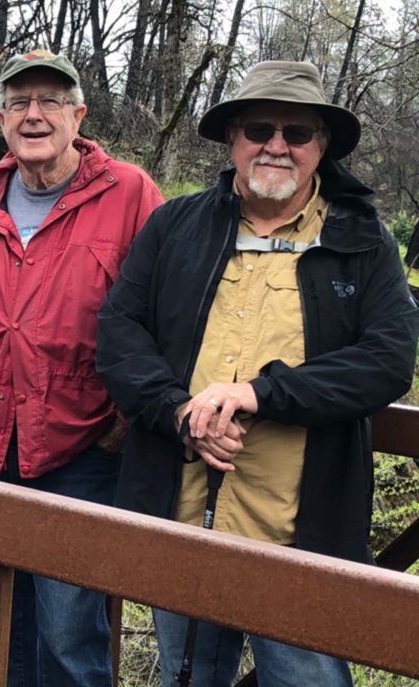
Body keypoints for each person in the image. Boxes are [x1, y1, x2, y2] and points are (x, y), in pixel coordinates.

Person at [96, 60, 419, 686]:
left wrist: (259, 393)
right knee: (186, 677)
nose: (277, 145)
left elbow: (386, 362)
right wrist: (180, 411)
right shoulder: (175, 225)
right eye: (259, 129)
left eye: (297, 133)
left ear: (320, 147)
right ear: (231, 140)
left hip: (303, 536)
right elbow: (119, 331)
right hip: (185, 515)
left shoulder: (363, 238)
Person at [0, 49, 163, 686]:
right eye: (19, 102)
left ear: (79, 115)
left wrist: (128, 419)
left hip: (82, 451)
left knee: (68, 634)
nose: (34, 114)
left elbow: (170, 318)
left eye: (50, 101)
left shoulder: (129, 195)